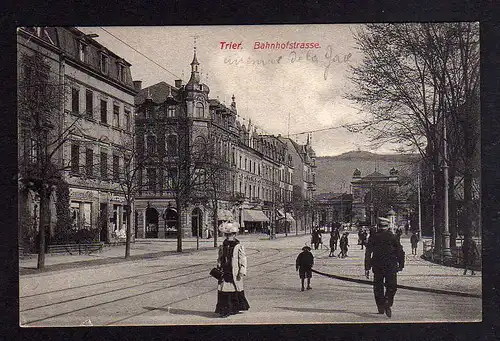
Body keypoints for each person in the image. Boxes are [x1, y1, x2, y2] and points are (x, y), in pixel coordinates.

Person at [364, 217, 405, 318]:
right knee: (392, 285)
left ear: (378, 226)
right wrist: (401, 264)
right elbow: (400, 252)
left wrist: (367, 267)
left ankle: (380, 306)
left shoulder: (373, 237)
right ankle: (387, 301)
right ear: (388, 226)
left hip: (377, 265)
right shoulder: (393, 237)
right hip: (391, 265)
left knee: (378, 286)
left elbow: (368, 253)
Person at [214, 222, 250, 318]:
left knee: (234, 290)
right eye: (227, 235)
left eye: (231, 235)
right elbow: (220, 257)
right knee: (224, 291)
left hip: (234, 271)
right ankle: (225, 310)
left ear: (234, 235)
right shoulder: (223, 245)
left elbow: (243, 259)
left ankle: (234, 308)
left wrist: (242, 270)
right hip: (224, 270)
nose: (229, 236)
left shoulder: (238, 246)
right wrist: (218, 264)